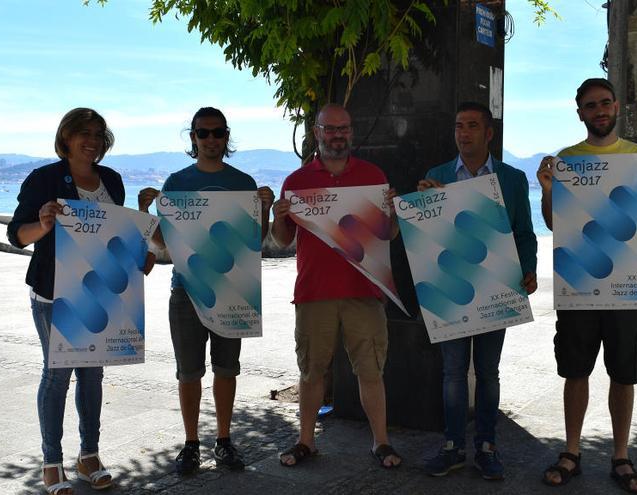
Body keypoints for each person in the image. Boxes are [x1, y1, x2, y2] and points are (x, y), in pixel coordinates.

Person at [537, 78, 637, 494]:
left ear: (617, 106)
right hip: (581, 285)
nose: (599, 110)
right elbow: (553, 222)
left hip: (627, 290)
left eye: (605, 103)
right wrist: (548, 192)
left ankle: (621, 455)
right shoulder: (567, 160)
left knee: (624, 374)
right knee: (575, 371)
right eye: (591, 105)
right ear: (580, 112)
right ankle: (572, 451)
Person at [7, 108, 154, 494]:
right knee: (57, 375)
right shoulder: (45, 179)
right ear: (66, 137)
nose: (92, 140)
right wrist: (43, 223)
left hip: (101, 293)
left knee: (93, 374)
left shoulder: (112, 181)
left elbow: (114, 237)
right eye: (84, 133)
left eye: (98, 134)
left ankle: (89, 455)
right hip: (54, 293)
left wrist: (141, 222)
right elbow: (17, 235)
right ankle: (51, 462)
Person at [137, 107, 274, 476]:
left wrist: (266, 208)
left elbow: (256, 240)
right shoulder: (176, 182)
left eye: (217, 133)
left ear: (226, 137)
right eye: (203, 133)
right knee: (189, 372)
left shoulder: (243, 182)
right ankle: (191, 443)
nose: (211, 139)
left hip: (233, 289)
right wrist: (144, 212)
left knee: (227, 369)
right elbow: (164, 241)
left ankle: (225, 440)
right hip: (186, 288)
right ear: (192, 137)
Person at [271, 103, 402, 469]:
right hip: (314, 293)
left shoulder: (374, 176)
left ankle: (382, 442)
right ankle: (306, 441)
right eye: (330, 129)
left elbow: (388, 234)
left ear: (352, 132)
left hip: (366, 290)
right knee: (312, 371)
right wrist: (277, 217)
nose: (337, 135)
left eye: (343, 128)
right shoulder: (296, 182)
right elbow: (282, 240)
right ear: (316, 132)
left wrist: (391, 215)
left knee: (371, 371)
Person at [417, 101, 538, 480]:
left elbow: (523, 232)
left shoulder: (513, 178)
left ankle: (487, 446)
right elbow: (425, 237)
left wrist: (529, 269)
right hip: (451, 289)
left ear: (489, 133)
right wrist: (423, 201)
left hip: (495, 287)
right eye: (458, 126)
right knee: (452, 372)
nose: (463, 132)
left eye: (472, 125)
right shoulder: (436, 175)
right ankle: (453, 446)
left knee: (488, 372)